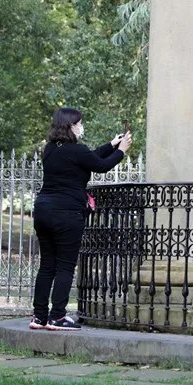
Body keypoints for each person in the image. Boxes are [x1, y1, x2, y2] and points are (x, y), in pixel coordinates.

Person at [31, 107, 131, 330]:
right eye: (79, 123)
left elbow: (89, 158)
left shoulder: (50, 149)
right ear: (70, 126)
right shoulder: (77, 150)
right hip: (67, 213)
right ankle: (57, 317)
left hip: (43, 211)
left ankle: (39, 317)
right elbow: (101, 166)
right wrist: (121, 151)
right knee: (65, 266)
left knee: (47, 266)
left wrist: (111, 145)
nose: (81, 127)